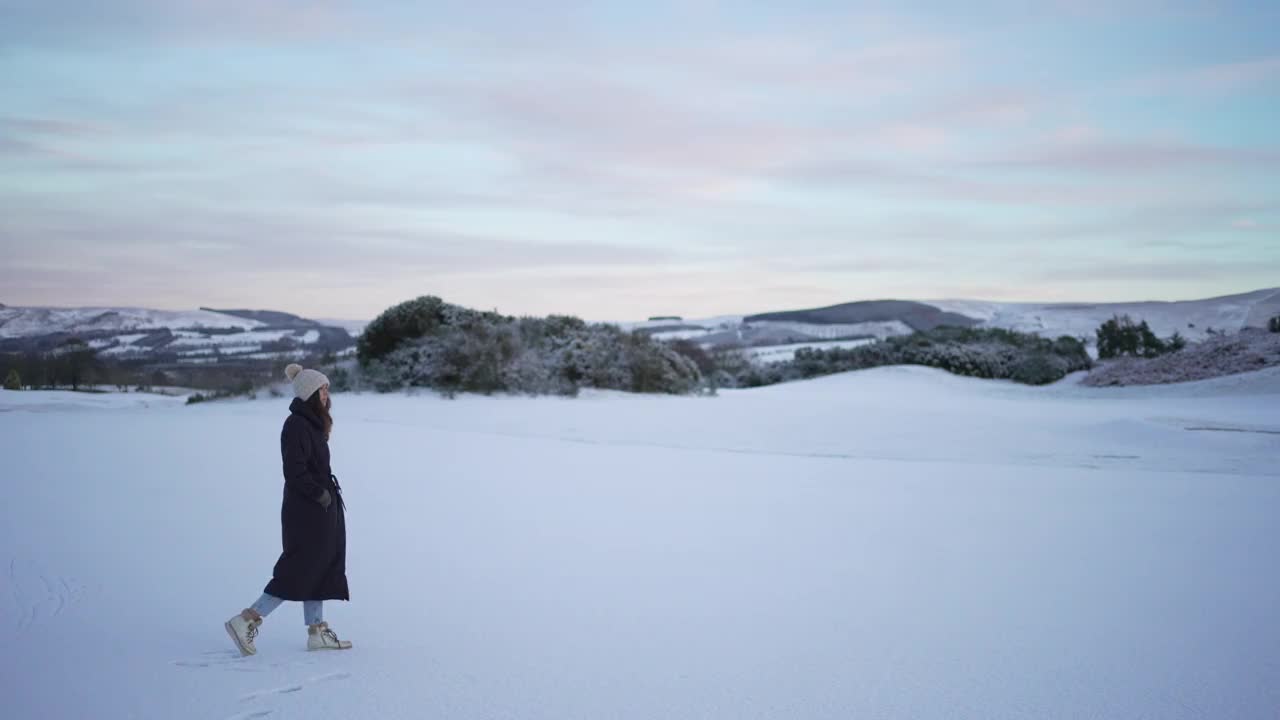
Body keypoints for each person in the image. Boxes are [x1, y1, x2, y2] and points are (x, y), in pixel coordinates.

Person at [225, 363, 351, 655]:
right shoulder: (296, 425)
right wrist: (319, 495)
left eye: (326, 388)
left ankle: (317, 631)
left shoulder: (312, 424)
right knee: (298, 568)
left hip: (320, 508)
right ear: (309, 392)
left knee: (319, 567)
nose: (326, 394)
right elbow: (294, 471)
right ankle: (246, 620)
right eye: (322, 389)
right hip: (307, 510)